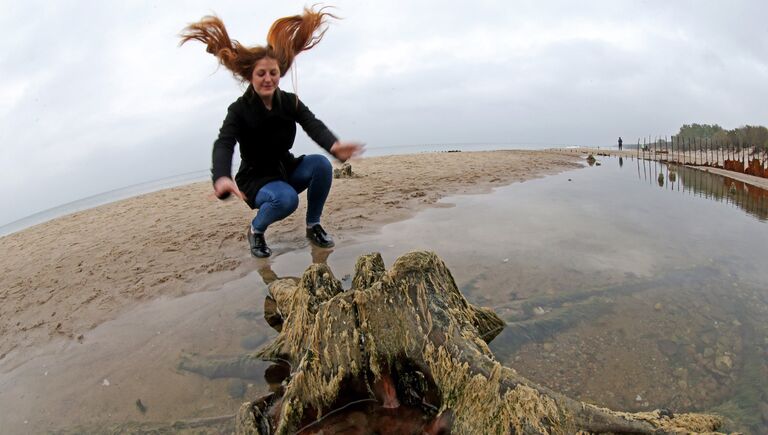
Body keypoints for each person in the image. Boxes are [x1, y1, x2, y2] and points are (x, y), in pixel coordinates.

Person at [180, 7, 363, 258]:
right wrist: (222, 176)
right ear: (251, 77)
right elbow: (224, 143)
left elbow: (313, 124)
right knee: (287, 200)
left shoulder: (289, 102)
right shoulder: (239, 110)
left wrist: (334, 146)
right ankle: (256, 230)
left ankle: (313, 225)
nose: (268, 79)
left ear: (280, 73)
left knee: (321, 165)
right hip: (256, 179)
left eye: (273, 73)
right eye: (261, 73)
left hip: (284, 168)